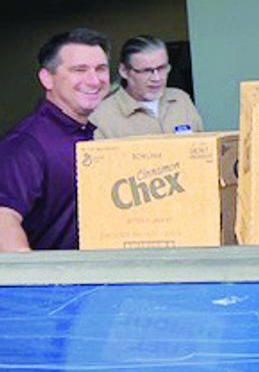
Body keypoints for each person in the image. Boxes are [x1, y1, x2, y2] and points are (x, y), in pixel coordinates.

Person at [0, 29, 110, 251]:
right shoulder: (27, 143)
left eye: (101, 69)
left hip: (94, 279)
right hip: (55, 284)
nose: (94, 80)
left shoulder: (87, 135)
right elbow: (3, 218)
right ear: (47, 78)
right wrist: (34, 281)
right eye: (79, 70)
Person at [91, 35, 203, 138]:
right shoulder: (101, 116)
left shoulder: (181, 100)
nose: (157, 78)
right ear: (124, 71)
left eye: (161, 68)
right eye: (146, 71)